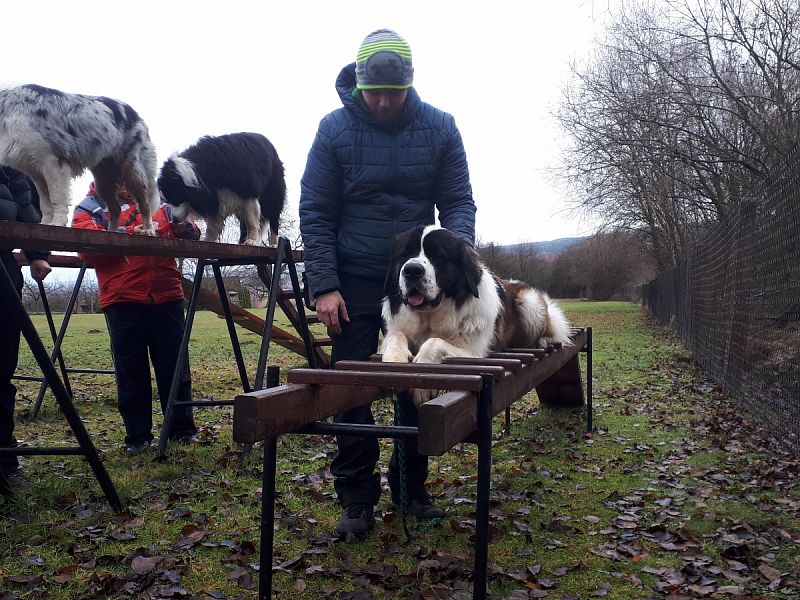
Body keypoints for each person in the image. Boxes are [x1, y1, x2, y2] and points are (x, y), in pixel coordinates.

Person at [299, 29, 476, 540]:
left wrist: (451, 260)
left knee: (415, 380)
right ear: (357, 85)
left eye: (392, 93)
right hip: (353, 276)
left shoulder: (441, 128)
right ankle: (356, 500)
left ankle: (411, 489)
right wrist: (324, 285)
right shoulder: (333, 131)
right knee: (354, 385)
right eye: (372, 92)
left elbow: (459, 201)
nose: (381, 102)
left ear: (410, 83)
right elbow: (315, 211)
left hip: (417, 279)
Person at [71, 183, 200, 456]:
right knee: (131, 371)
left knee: (175, 367)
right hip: (122, 298)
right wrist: (130, 234)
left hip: (167, 294)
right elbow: (85, 246)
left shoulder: (162, 200)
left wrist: (185, 230)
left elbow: (192, 230)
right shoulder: (89, 206)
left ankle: (182, 430)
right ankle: (138, 437)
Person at [0, 166, 52, 481]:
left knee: (2, 365)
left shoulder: (10, 160)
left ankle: (4, 459)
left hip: (2, 265)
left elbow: (26, 202)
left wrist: (36, 253)